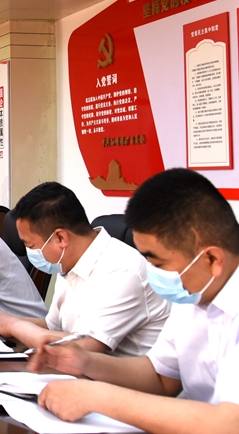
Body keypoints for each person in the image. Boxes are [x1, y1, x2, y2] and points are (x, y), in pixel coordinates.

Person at [33, 169, 239, 432]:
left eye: (159, 264)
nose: (152, 273)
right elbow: (161, 377)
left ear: (212, 259)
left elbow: (230, 423)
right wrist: (85, 361)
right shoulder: (194, 294)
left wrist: (98, 397)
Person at [0, 182, 169, 356]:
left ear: (60, 238)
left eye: (31, 245)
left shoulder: (122, 270)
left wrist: (11, 325)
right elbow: (52, 327)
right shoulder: (70, 261)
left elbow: (84, 347)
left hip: (123, 388)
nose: (31, 252)